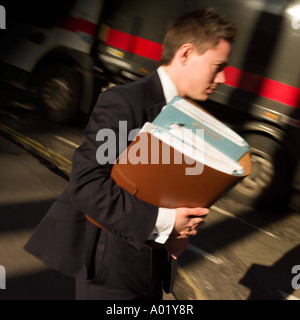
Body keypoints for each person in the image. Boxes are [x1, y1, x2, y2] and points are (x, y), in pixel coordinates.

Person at [24, 7, 238, 300]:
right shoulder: (124, 103)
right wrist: (167, 221)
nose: (223, 78)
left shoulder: (194, 116)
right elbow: (87, 186)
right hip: (109, 269)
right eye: (218, 66)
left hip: (153, 268)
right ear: (186, 54)